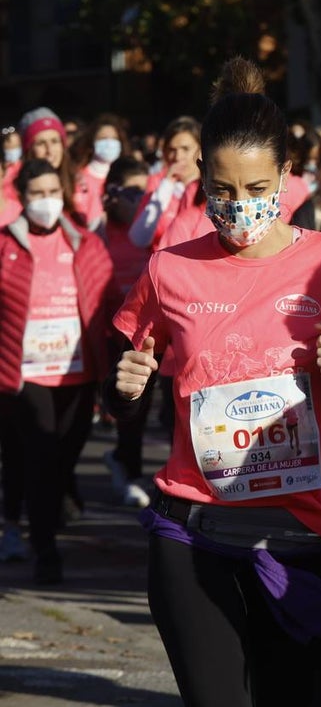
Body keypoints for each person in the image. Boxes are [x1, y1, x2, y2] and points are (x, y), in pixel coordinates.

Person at [106, 57, 321, 707]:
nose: (239, 205)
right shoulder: (170, 270)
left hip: (306, 536)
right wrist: (126, 387)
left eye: (254, 187)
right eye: (222, 188)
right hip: (195, 533)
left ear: (285, 176)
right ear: (202, 182)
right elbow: (120, 380)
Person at [0, 158, 116, 580]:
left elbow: (109, 300)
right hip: (26, 377)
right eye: (37, 194)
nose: (45, 202)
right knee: (42, 457)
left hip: (79, 374)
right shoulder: (5, 244)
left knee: (63, 459)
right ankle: (45, 550)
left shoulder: (85, 243)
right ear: (22, 198)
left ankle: (45, 518)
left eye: (52, 193)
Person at [100, 156, 155, 509]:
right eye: (130, 192)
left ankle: (128, 466)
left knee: (141, 406)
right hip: (106, 332)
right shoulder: (98, 232)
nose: (137, 201)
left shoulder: (149, 231)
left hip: (144, 331)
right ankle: (125, 464)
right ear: (111, 193)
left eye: (143, 192)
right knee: (120, 404)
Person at [129, 116, 202, 251]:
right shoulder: (158, 183)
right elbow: (139, 238)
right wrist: (166, 186)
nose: (177, 157)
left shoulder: (211, 185)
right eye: (172, 149)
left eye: (185, 149)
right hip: (163, 263)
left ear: (201, 149)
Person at [71, 114, 132, 231]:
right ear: (92, 143)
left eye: (114, 138)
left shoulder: (128, 179)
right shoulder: (77, 178)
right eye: (103, 138)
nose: (109, 143)